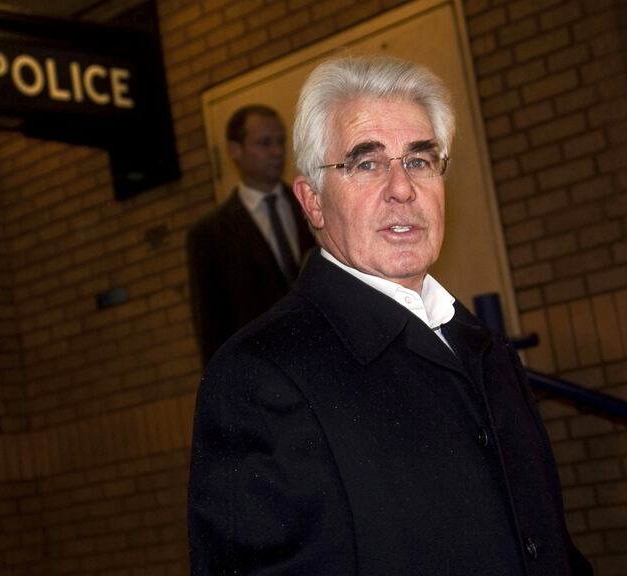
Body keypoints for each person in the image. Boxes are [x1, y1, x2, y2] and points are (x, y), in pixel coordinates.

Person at [188, 56, 593, 575]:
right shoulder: (258, 379)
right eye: (367, 163)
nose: (403, 189)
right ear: (312, 203)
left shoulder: (484, 350)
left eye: (420, 161)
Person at [187, 104, 317, 365]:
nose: (278, 152)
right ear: (235, 151)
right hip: (262, 369)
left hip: (325, 355)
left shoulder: (313, 204)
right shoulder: (209, 234)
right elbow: (211, 325)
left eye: (281, 141)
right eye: (264, 143)